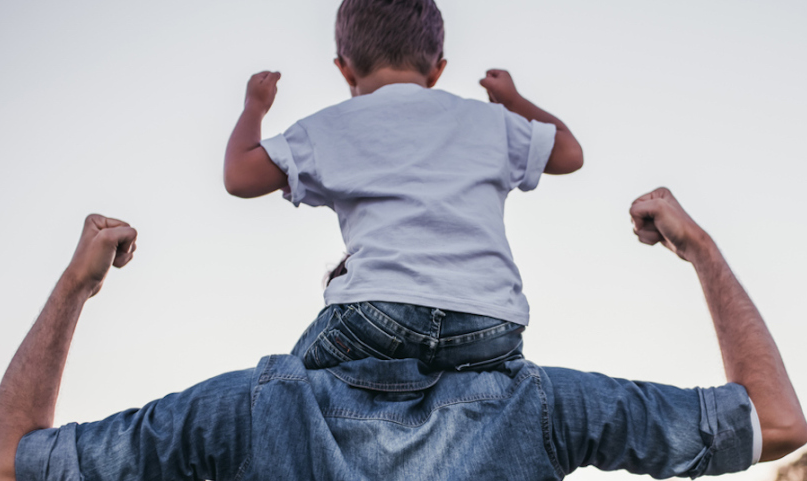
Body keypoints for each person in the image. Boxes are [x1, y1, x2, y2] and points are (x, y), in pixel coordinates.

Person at [0, 188, 807, 481]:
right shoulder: (542, 406)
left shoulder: (251, 411)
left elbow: (3, 472)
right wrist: (699, 248)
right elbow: (773, 420)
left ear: (340, 294)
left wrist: (76, 286)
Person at [222, 0, 584, 372]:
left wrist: (255, 105)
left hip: (380, 315)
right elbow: (570, 153)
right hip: (491, 324)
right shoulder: (490, 120)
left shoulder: (332, 125)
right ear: (438, 69)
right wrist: (512, 100)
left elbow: (239, 176)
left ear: (344, 69)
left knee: (286, 386)